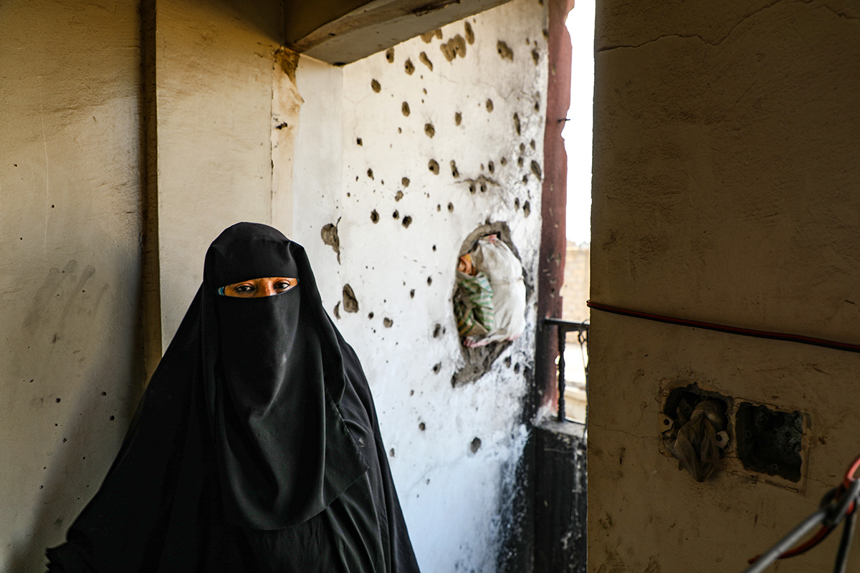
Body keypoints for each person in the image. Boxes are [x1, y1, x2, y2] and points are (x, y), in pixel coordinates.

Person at [46, 222, 421, 572]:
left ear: (302, 289)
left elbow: (379, 494)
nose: (268, 304)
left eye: (281, 287)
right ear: (218, 299)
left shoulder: (339, 374)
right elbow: (138, 495)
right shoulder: (191, 390)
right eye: (246, 290)